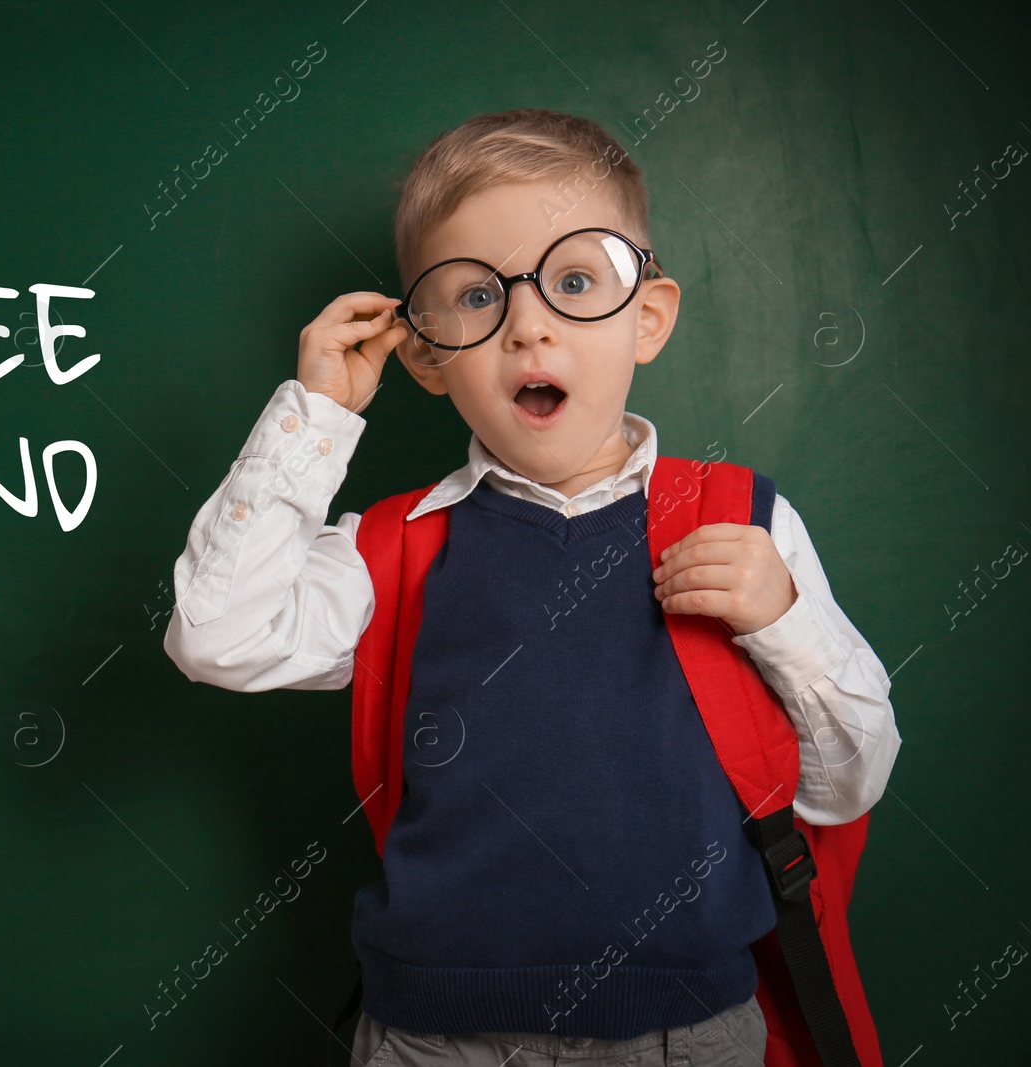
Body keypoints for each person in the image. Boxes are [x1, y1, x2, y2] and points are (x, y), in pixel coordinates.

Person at [162, 108, 899, 1066]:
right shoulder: (400, 547)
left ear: (648, 318)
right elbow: (216, 634)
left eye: (577, 280)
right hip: (433, 1037)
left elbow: (847, 784)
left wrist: (785, 623)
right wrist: (312, 422)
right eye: (474, 297)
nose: (529, 324)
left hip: (684, 1033)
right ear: (425, 353)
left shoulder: (741, 524)